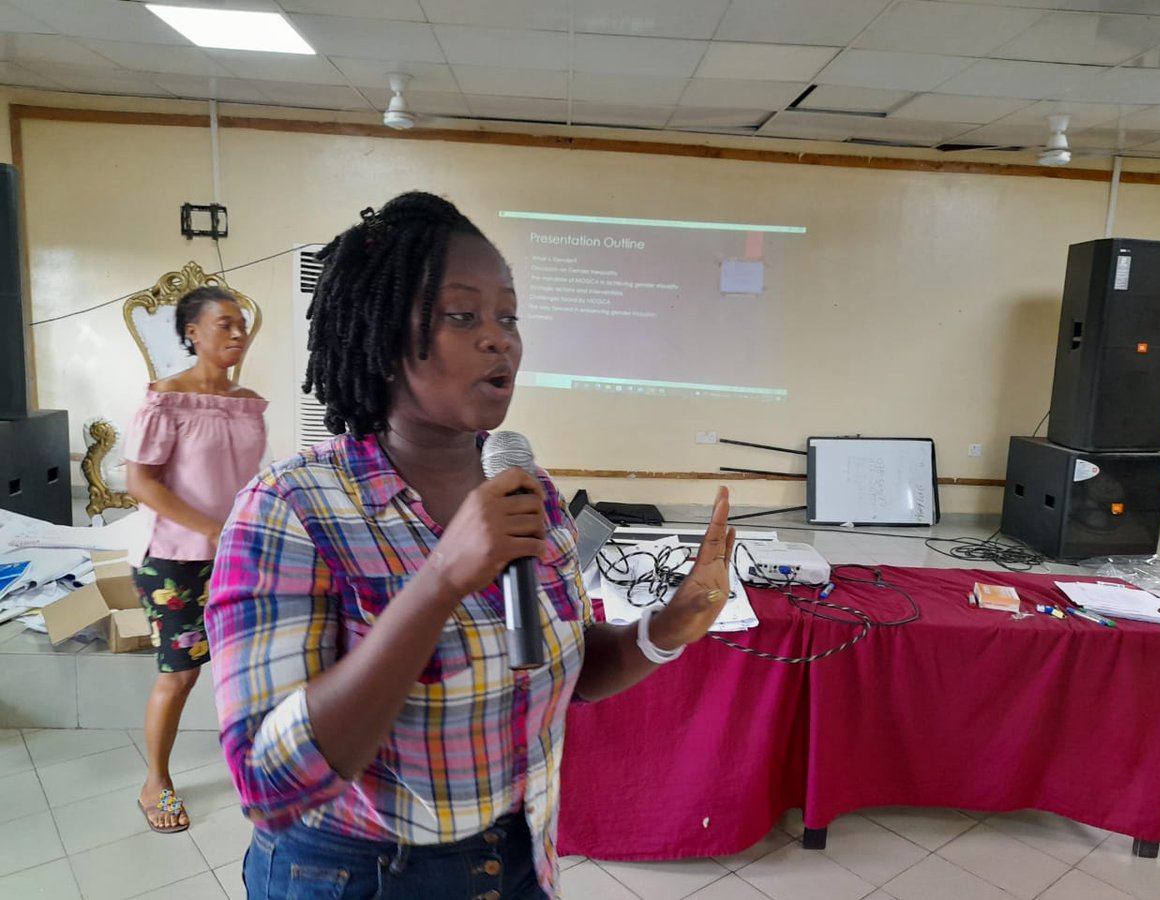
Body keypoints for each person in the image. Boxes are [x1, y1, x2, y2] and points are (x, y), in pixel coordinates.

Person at [205, 192, 734, 899]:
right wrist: (440, 581)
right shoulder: (289, 509)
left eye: (508, 316)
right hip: (362, 875)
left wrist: (669, 628)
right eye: (463, 316)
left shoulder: (526, 487)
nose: (500, 339)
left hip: (518, 855)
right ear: (386, 335)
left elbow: (554, 665)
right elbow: (270, 787)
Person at [125, 285, 267, 833]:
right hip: (173, 561)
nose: (237, 334)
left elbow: (250, 480)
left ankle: (257, 767)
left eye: (241, 325)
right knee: (180, 676)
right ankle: (154, 782)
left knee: (247, 668)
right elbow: (141, 482)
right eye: (224, 324)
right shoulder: (165, 399)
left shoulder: (248, 403)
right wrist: (212, 528)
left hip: (237, 556)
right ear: (193, 333)